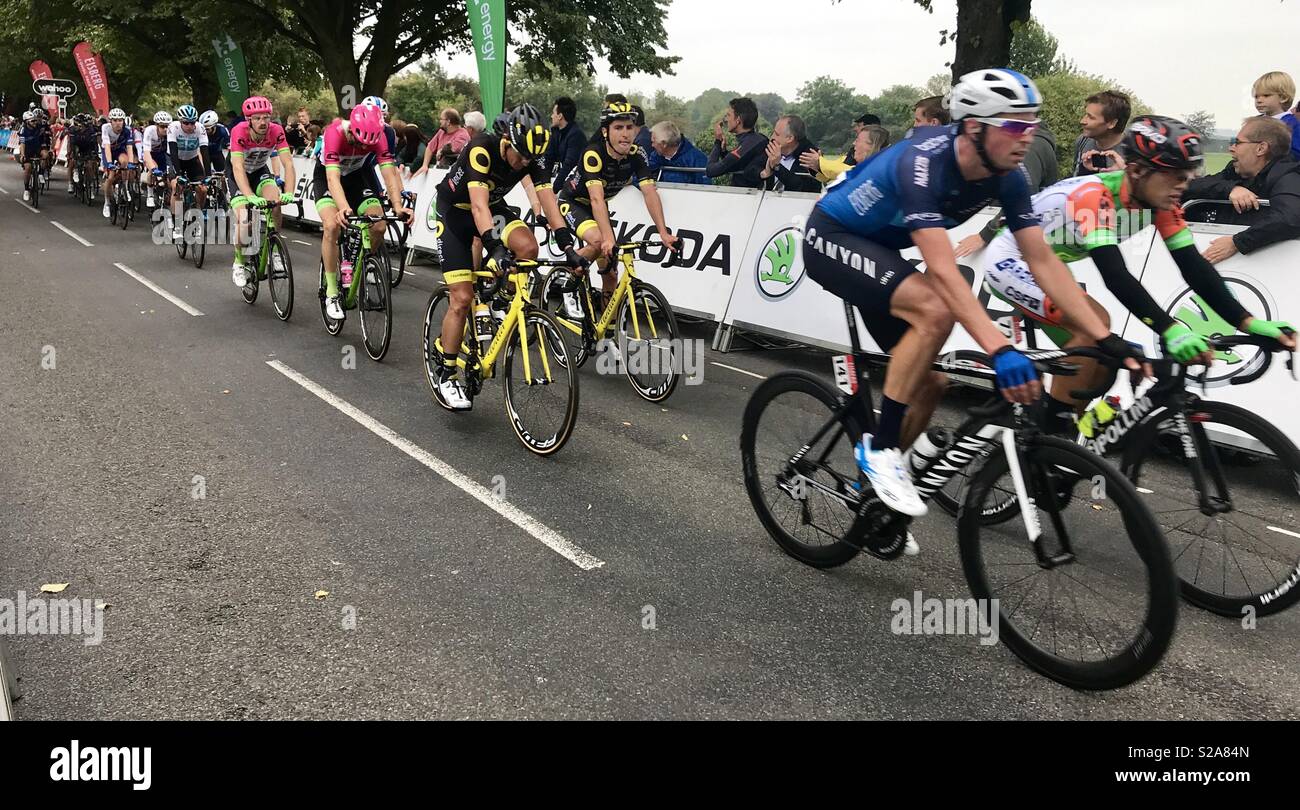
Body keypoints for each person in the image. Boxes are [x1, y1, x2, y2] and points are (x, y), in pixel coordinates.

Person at [805, 68, 1141, 522]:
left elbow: (1042, 260)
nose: (1028, 137)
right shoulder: (922, 162)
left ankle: (871, 497)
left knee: (930, 384)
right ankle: (881, 452)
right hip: (833, 235)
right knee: (936, 310)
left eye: (1032, 125)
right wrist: (1000, 349)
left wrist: (1102, 336)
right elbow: (943, 269)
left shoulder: (1009, 176)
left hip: (879, 250)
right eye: (1016, 126)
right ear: (974, 126)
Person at [982, 115, 1295, 436]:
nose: (1184, 185)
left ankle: (1064, 435)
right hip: (1012, 260)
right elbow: (1115, 275)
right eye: (1175, 176)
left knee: (1101, 361)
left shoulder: (1161, 203)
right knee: (1093, 330)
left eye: (1188, 175)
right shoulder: (1095, 196)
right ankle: (1050, 437)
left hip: (1049, 264)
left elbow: (1193, 267)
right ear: (1137, 171)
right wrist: (1170, 330)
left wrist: (1249, 322)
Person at [430, 103, 574, 410]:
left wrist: (566, 241)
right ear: (507, 141)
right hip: (456, 212)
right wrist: (494, 247)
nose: (523, 162)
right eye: (519, 156)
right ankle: (446, 371)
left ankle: (498, 302)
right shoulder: (481, 149)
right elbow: (478, 207)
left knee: (528, 248)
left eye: (529, 159)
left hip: (492, 208)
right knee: (462, 298)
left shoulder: (531, 157)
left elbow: (547, 197)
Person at [556, 101, 680, 319]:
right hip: (574, 202)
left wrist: (663, 232)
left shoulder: (637, 153)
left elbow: (650, 192)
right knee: (598, 242)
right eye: (618, 128)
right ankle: (569, 279)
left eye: (629, 128)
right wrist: (606, 239)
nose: (625, 134)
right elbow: (596, 199)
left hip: (599, 206)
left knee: (611, 274)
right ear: (605, 131)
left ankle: (607, 333)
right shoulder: (593, 154)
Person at [314, 104, 412, 320]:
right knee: (331, 226)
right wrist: (343, 208)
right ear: (351, 130)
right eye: (358, 141)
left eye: (366, 144)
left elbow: (389, 173)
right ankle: (331, 291)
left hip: (356, 178)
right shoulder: (335, 133)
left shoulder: (380, 136)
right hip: (329, 178)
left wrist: (397, 206)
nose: (361, 146)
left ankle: (366, 261)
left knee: (379, 223)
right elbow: (332, 179)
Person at [1185, 116, 1300, 263]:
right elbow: (1189, 187)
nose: (1231, 148)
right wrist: (1230, 189)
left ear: (1261, 148)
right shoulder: (1234, 171)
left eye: (1237, 143)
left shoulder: (1289, 177)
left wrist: (1236, 243)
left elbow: (1290, 218)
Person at [953, 120, 1060, 257]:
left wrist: (984, 235)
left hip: (1019, 241)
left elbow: (1025, 198)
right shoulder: (1030, 142)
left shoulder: (1025, 146)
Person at [228, 96, 296, 287]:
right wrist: (249, 196)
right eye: (257, 118)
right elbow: (238, 168)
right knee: (244, 220)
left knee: (275, 202)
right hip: (237, 174)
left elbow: (288, 163)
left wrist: (289, 192)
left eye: (266, 117)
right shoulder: (239, 131)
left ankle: (274, 250)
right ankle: (239, 263)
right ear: (248, 120)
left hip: (259, 171)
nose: (263, 122)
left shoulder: (276, 130)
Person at [166, 104, 211, 239]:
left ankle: (198, 216)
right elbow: (173, 151)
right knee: (177, 186)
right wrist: (178, 174)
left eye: (192, 122)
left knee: (202, 189)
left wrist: (208, 175)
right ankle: (177, 224)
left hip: (192, 160)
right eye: (186, 123)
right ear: (180, 121)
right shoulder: (173, 127)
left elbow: (205, 152)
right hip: (175, 160)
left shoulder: (200, 129)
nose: (190, 126)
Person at [706, 97, 768, 188]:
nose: (726, 120)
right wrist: (723, 152)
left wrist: (717, 141)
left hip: (748, 198)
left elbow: (711, 171)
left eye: (728, 115)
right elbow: (737, 163)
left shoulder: (751, 142)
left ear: (738, 120)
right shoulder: (754, 140)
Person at [749, 114, 821, 192]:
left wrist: (777, 167)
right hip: (767, 200)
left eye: (776, 134)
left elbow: (801, 187)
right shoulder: (771, 146)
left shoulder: (811, 156)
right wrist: (764, 173)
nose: (772, 137)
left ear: (790, 138)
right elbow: (749, 170)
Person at [801, 124, 890, 183]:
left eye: (858, 140)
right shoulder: (852, 159)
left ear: (872, 145)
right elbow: (836, 168)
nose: (854, 143)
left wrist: (820, 162)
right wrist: (816, 167)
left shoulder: (880, 168)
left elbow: (850, 172)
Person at [1072, 90, 1130, 176]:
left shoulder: (1131, 154)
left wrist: (1122, 176)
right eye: (1085, 115)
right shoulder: (1083, 141)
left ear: (1111, 123)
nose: (1082, 121)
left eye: (1091, 117)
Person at [1251, 70, 1300, 161]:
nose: (1259, 100)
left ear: (1283, 97)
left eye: (1266, 95)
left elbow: (1296, 155)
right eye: (1256, 96)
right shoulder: (1255, 123)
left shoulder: (1291, 124)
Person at [100, 107, 137, 217]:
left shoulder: (127, 130)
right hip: (108, 151)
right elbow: (106, 147)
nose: (117, 123)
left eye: (120, 120)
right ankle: (107, 202)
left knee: (125, 162)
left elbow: (129, 147)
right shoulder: (105, 128)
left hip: (119, 150)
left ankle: (125, 186)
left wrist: (131, 163)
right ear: (110, 121)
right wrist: (110, 164)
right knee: (111, 177)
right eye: (115, 120)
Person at [647, 120, 710, 184]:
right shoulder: (656, 155)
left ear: (664, 144)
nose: (652, 145)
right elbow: (643, 173)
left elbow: (705, 187)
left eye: (653, 142)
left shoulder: (697, 159)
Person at [414, 108, 471, 176]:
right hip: (439, 173)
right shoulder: (441, 132)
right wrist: (425, 165)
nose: (440, 121)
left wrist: (442, 151)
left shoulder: (463, 134)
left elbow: (454, 149)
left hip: (453, 175)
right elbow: (430, 147)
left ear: (448, 121)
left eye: (441, 119)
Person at [545, 96, 586, 187]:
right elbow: (548, 158)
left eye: (553, 113)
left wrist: (553, 190)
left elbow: (568, 165)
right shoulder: (555, 131)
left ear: (560, 116)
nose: (551, 116)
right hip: (563, 181)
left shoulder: (576, 135)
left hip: (577, 184)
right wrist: (544, 185)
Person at [16, 109, 52, 203]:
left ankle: (41, 173)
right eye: (32, 121)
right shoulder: (23, 129)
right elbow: (22, 144)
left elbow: (49, 124)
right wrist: (23, 155)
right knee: (28, 168)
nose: (35, 122)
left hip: (37, 147)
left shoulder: (39, 126)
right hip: (27, 149)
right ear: (27, 121)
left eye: (35, 120)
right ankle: (27, 189)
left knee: (46, 155)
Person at [141, 111, 171, 208]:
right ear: (156, 125)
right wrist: (153, 169)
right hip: (150, 153)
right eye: (162, 126)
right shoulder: (150, 131)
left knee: (168, 177)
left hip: (163, 154)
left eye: (167, 126)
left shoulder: (171, 132)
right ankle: (150, 194)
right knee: (153, 169)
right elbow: (146, 152)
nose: (166, 129)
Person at [65, 113, 100, 194]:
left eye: (82, 125)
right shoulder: (72, 130)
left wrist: (96, 153)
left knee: (90, 165)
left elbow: (94, 143)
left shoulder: (91, 130)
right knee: (72, 162)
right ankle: (71, 182)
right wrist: (69, 153)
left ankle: (90, 184)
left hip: (87, 148)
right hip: (77, 147)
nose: (80, 127)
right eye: (78, 125)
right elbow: (70, 143)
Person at [199, 109, 230, 178]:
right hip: (204, 154)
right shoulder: (199, 131)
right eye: (203, 129)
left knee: (224, 175)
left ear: (214, 126)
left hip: (217, 153)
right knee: (203, 175)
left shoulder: (222, 130)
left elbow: (230, 147)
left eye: (207, 129)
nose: (204, 131)